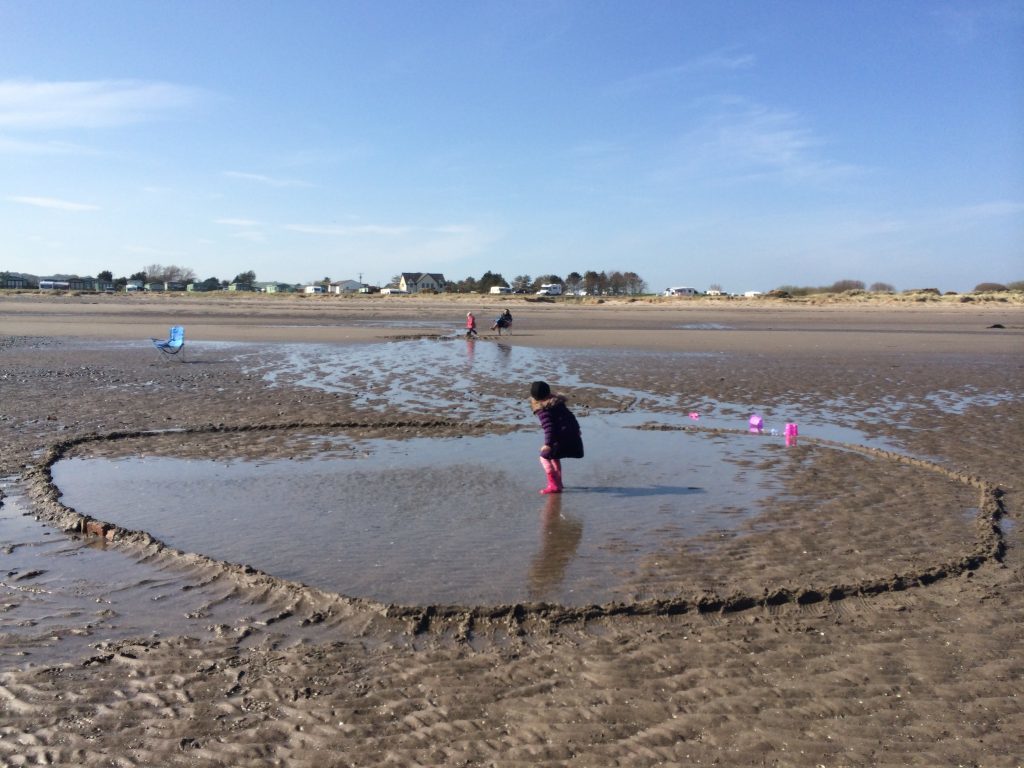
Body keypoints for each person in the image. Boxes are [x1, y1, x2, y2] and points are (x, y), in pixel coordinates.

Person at [529, 380, 584, 494]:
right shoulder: (558, 403)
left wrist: (548, 444)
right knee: (554, 456)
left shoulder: (543, 410)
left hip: (560, 437)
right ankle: (559, 482)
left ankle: (553, 485)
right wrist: (577, 429)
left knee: (544, 457)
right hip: (570, 434)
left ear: (534, 398)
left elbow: (549, 428)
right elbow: (571, 417)